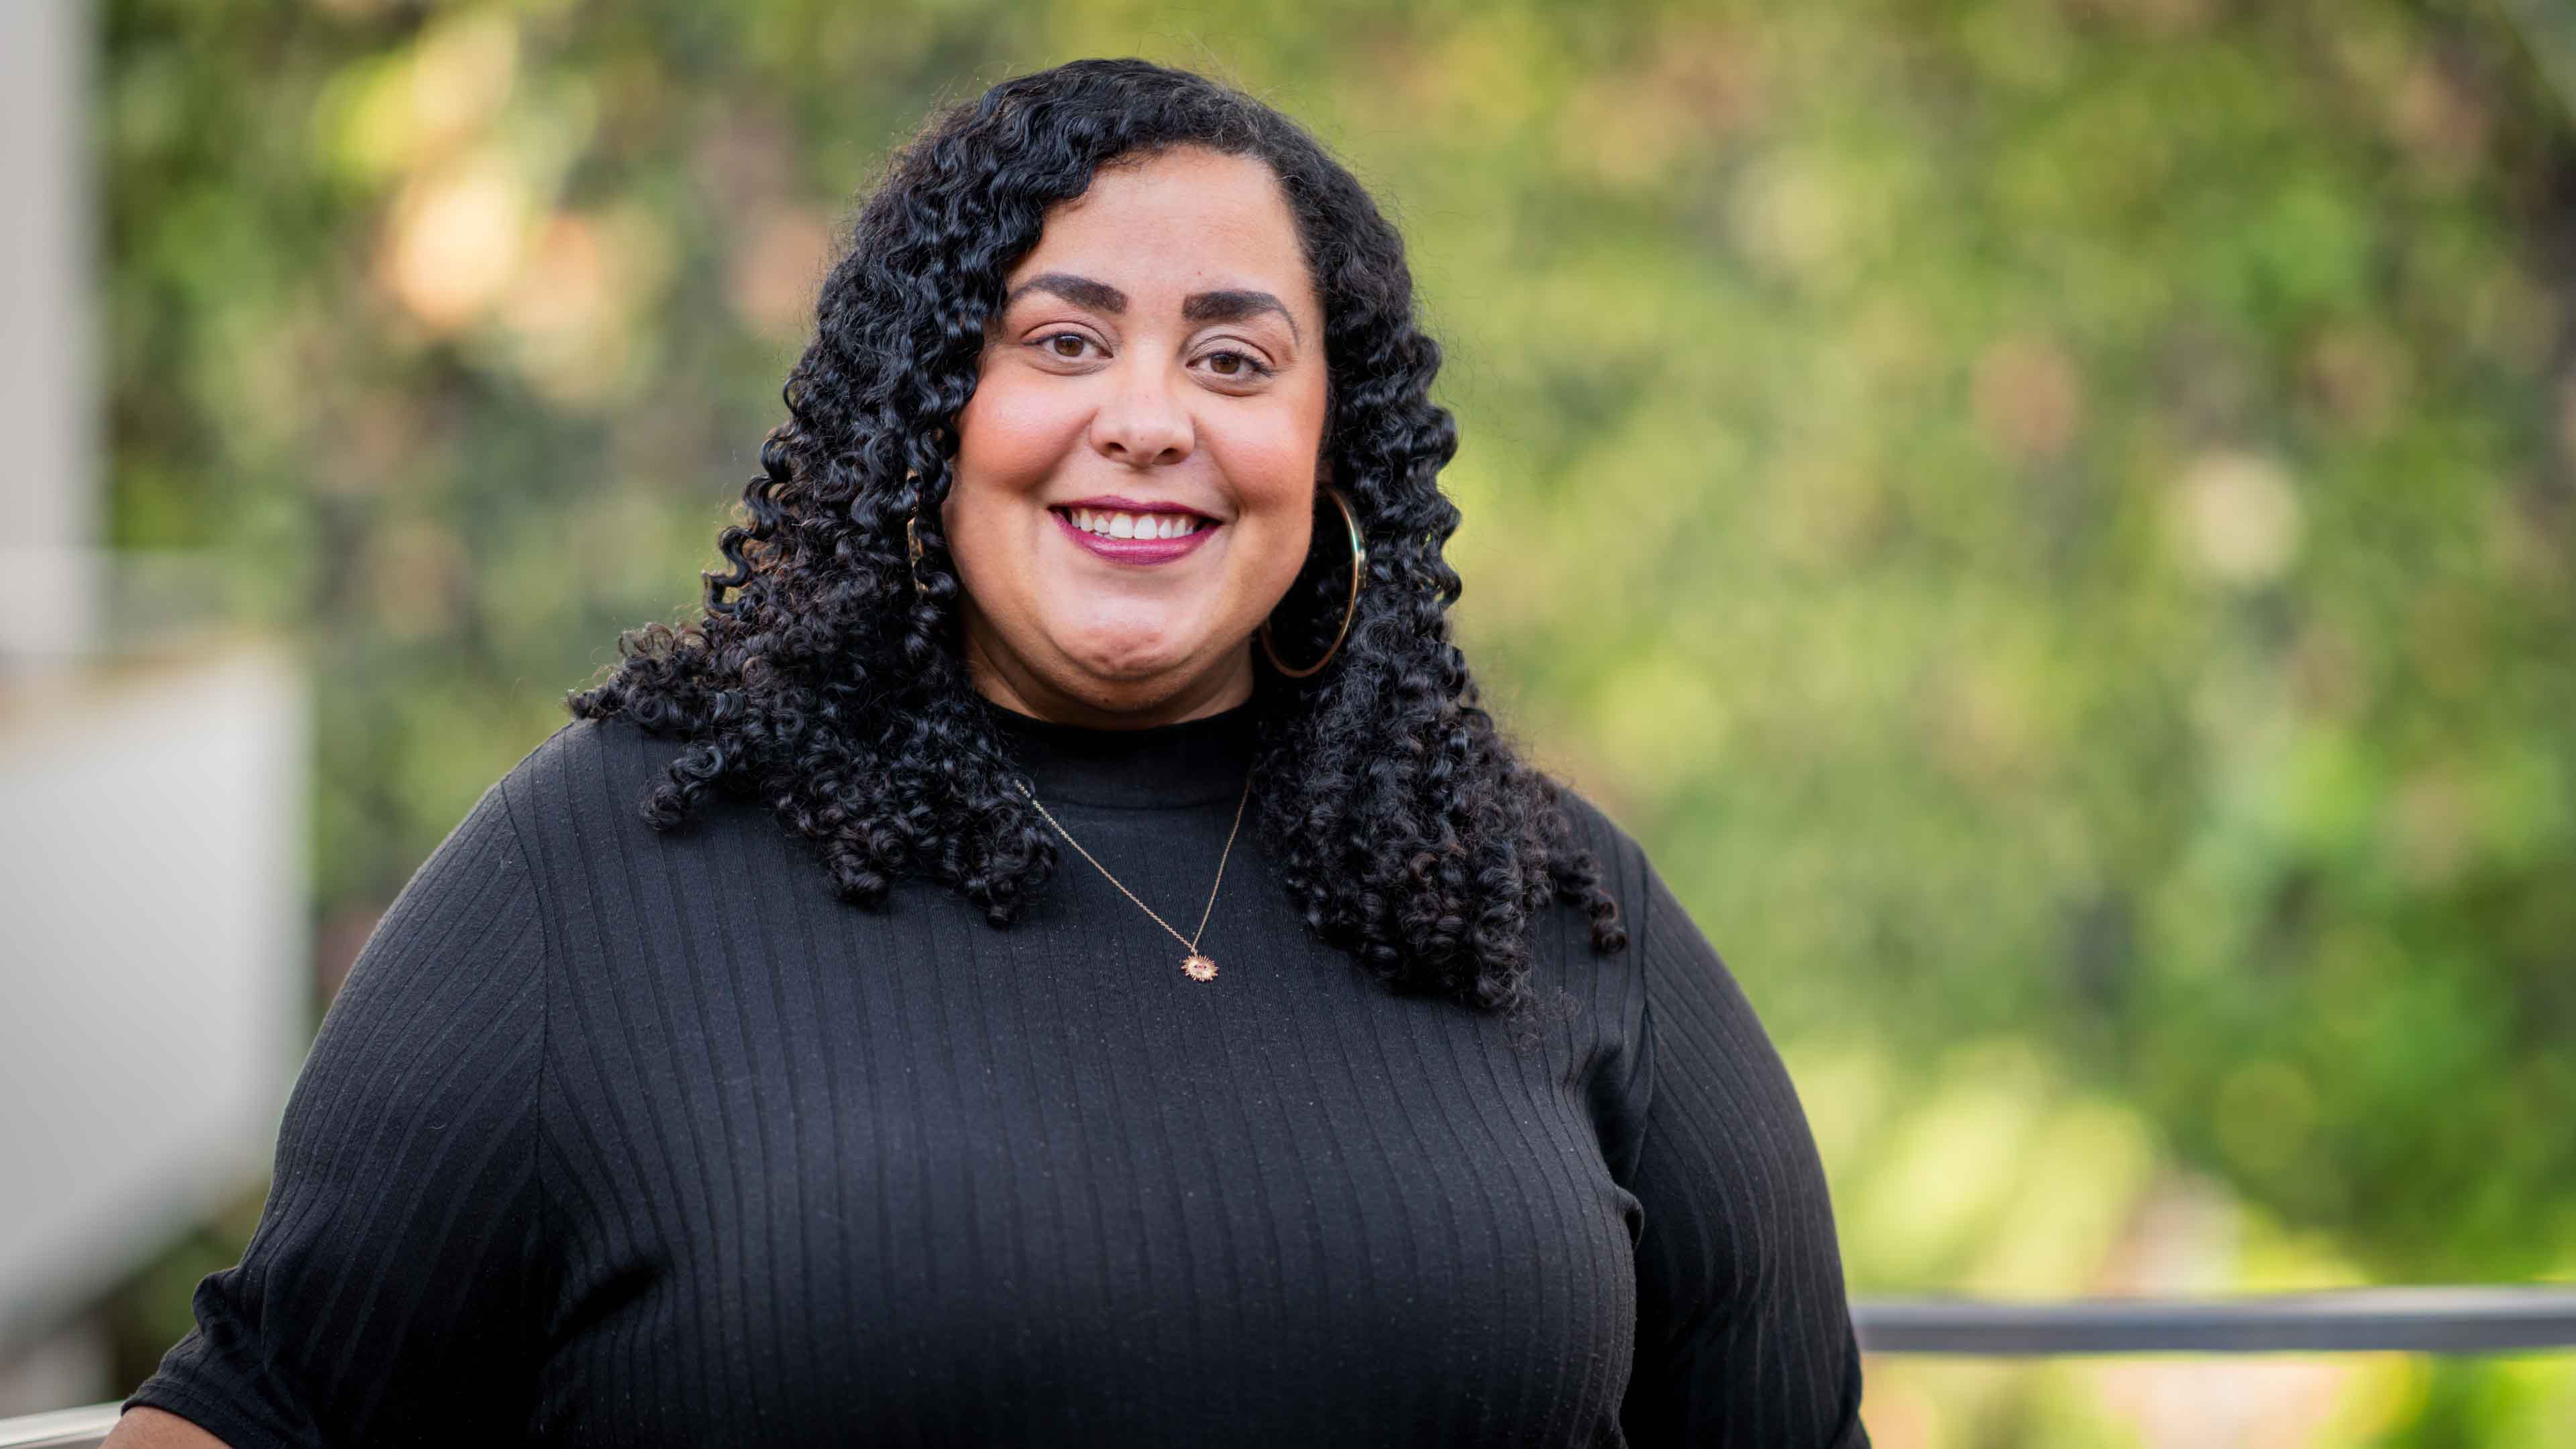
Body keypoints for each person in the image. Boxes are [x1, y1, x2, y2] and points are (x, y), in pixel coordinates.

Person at [109, 58, 1870, 1448]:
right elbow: (264, 1415)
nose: (1151, 418)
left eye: (1237, 358)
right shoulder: (606, 864)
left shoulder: (1550, 904)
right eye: (1065, 339)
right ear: (930, 415)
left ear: (1337, 454)